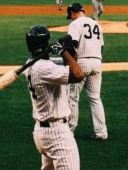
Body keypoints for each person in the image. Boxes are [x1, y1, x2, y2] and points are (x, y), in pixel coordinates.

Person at [23, 25, 85, 170]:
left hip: (42, 132)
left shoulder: (32, 64)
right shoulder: (45, 69)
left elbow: (69, 64)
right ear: (45, 43)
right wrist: (62, 50)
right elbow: (78, 75)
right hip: (57, 135)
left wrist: (69, 51)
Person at [64, 3, 108, 141]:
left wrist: (71, 64)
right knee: (95, 98)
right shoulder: (96, 24)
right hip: (97, 63)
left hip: (82, 62)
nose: (70, 18)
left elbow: (73, 46)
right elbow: (101, 47)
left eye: (70, 15)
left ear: (73, 13)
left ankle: (70, 131)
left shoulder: (75, 24)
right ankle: (101, 132)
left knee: (72, 97)